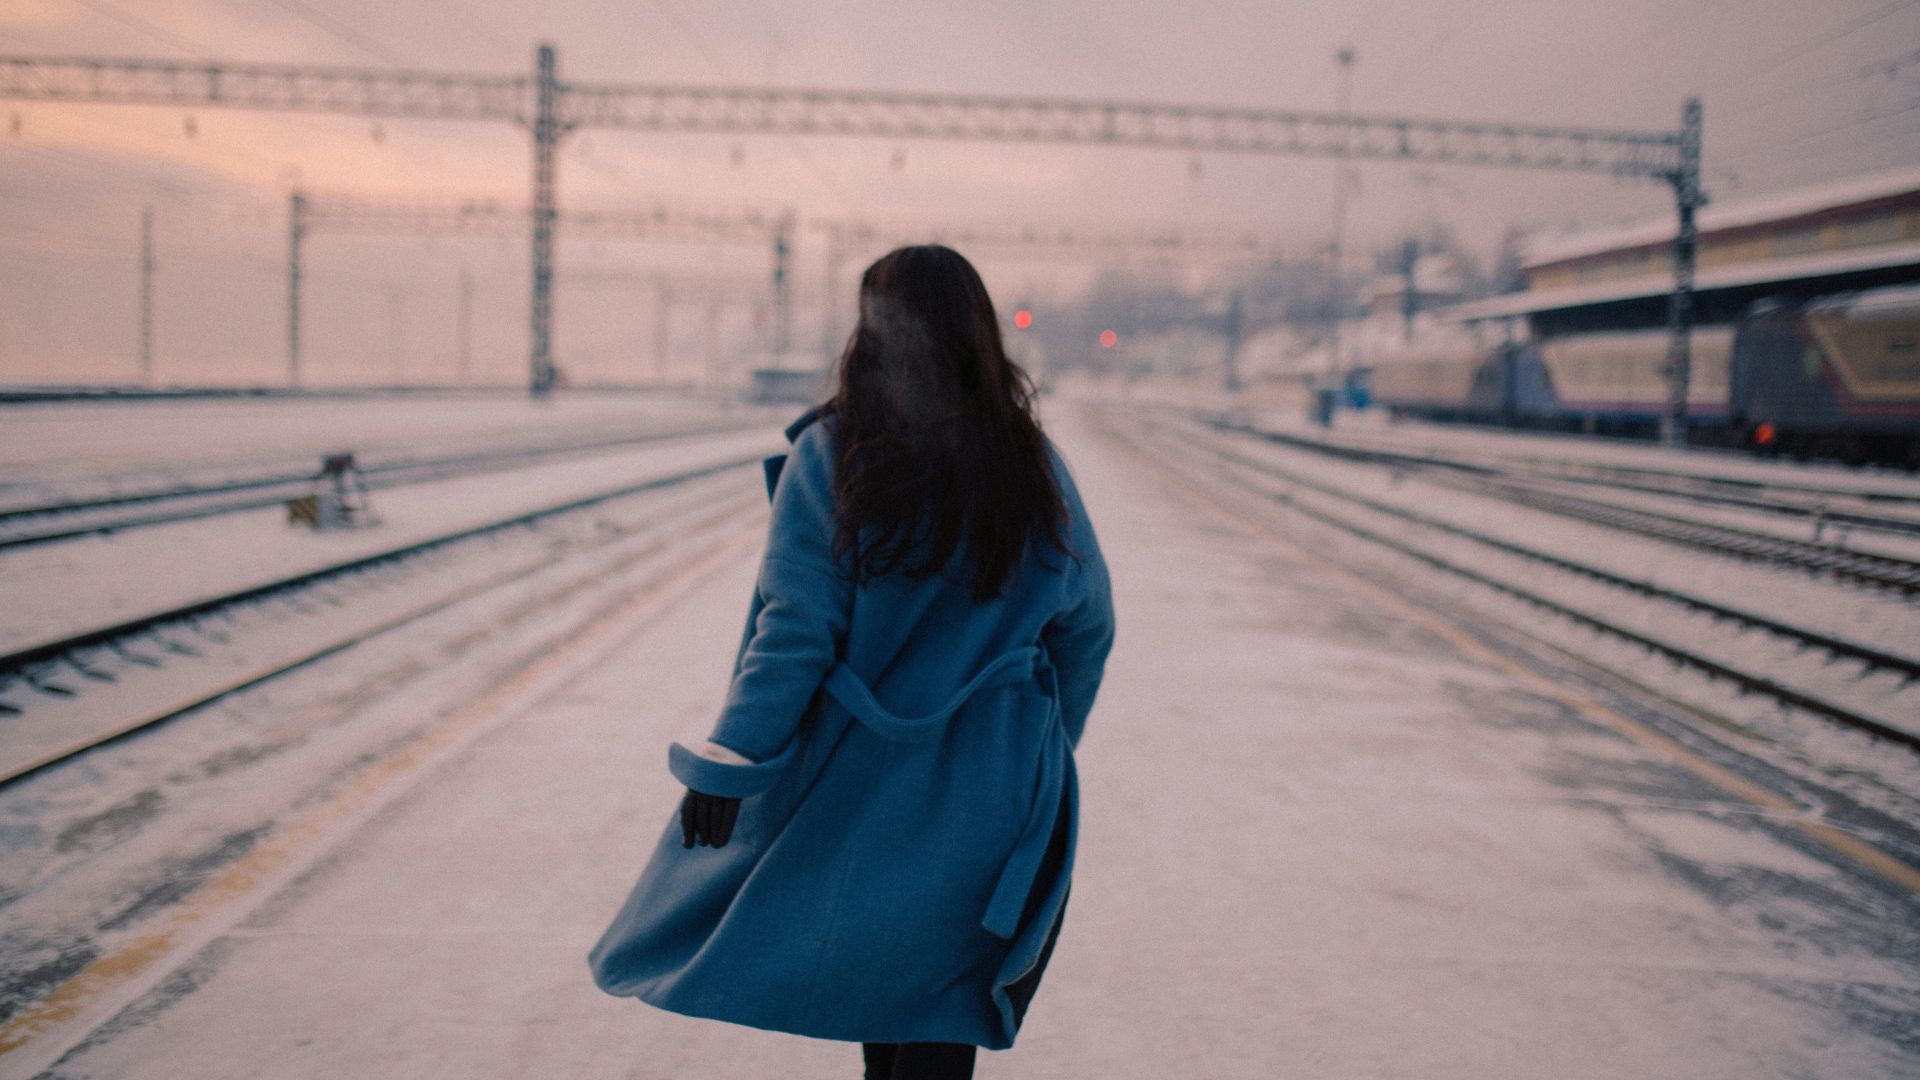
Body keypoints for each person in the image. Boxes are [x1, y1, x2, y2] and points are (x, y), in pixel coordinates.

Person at [588, 245, 1116, 1080]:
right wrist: (1043, 747)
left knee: (883, 1000)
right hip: (995, 789)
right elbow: (1088, 627)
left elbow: (794, 637)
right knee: (941, 1018)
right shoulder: (1032, 466)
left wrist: (736, 760)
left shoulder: (834, 459)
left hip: (865, 789)